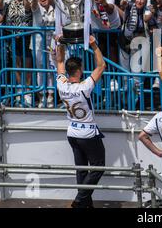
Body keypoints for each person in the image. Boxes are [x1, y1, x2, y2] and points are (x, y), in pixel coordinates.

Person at [55, 35, 107, 208]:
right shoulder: (84, 87)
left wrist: (59, 43)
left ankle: (85, 204)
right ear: (78, 71)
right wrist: (94, 46)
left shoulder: (61, 84)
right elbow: (101, 66)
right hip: (87, 132)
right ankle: (80, 199)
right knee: (99, 166)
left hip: (72, 131)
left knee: (82, 170)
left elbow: (60, 61)